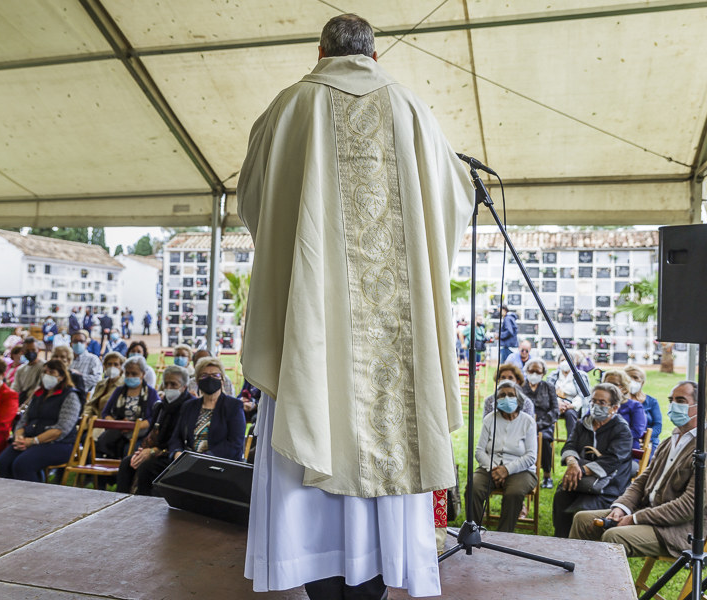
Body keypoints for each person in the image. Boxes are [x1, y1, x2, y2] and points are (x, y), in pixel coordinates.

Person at [238, 15, 474, 599]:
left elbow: (253, 202)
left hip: (309, 324)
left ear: (320, 51)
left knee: (311, 413)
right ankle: (379, 570)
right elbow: (453, 199)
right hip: (400, 338)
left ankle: (316, 572)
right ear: (374, 53)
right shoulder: (412, 109)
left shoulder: (290, 106)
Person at [569, 382, 707, 559]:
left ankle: (604, 585)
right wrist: (621, 507)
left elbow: (688, 507)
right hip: (649, 513)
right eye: (671, 400)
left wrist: (634, 519)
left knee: (613, 536)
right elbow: (642, 481)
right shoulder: (671, 441)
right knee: (582, 519)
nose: (673, 405)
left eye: (680, 400)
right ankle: (578, 577)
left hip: (679, 530)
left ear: (699, 407)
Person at [552, 382, 632, 538]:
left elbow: (612, 460)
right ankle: (560, 541)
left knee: (582, 509)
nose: (596, 406)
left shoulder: (621, 430)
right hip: (581, 480)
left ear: (614, 408)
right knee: (561, 496)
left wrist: (580, 470)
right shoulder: (584, 423)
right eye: (594, 401)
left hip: (608, 485)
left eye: (602, 403)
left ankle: (577, 546)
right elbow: (570, 445)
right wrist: (573, 463)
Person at [468, 380, 537, 532]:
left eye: (511, 395)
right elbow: (479, 451)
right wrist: (495, 469)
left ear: (518, 399)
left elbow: (531, 456)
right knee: (474, 487)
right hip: (490, 467)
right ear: (496, 399)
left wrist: (507, 470)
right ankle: (474, 532)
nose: (506, 398)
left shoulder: (528, 421)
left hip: (522, 470)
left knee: (514, 493)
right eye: (502, 395)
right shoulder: (490, 419)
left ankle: (503, 537)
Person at [0, 359, 80, 482]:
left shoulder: (70, 396)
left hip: (59, 444)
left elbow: (60, 430)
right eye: (44, 372)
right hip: (30, 439)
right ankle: (13, 494)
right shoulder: (38, 394)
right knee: (3, 462)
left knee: (23, 464)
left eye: (51, 372)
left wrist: (33, 441)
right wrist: (19, 436)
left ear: (61, 376)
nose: (46, 375)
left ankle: (35, 497)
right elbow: (24, 420)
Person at [117, 365, 193, 495]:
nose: (168, 388)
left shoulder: (190, 406)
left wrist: (153, 451)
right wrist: (144, 450)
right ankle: (120, 503)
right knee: (127, 463)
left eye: (173, 384)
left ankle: (143, 505)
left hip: (175, 454)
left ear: (184, 386)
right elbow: (151, 433)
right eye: (166, 384)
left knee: (147, 467)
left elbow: (181, 439)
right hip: (155, 451)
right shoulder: (161, 406)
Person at [169, 357, 244, 460]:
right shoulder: (189, 406)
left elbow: (235, 442)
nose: (210, 378)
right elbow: (176, 437)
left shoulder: (234, 406)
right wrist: (177, 452)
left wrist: (204, 458)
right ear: (197, 382)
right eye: (204, 376)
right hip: (187, 461)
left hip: (219, 463)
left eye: (215, 375)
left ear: (222, 381)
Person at [98, 355, 158, 460]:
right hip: (117, 430)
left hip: (140, 432)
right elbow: (106, 413)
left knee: (129, 449)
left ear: (143, 374)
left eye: (134, 374)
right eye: (127, 373)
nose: (130, 376)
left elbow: (155, 417)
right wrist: (119, 424)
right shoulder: (119, 391)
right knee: (102, 444)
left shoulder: (151, 393)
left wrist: (133, 426)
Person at [519, 358, 558, 489]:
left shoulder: (549, 387)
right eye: (531, 371)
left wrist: (539, 424)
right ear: (526, 371)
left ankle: (547, 476)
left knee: (545, 439)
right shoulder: (520, 387)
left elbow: (555, 410)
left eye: (538, 371)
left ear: (543, 373)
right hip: (523, 424)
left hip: (543, 425)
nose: (534, 374)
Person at [602, 370, 647, 462]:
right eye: (606, 384)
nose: (609, 388)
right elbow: (586, 424)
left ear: (624, 388)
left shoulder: (634, 406)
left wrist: (609, 435)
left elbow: (637, 432)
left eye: (614, 384)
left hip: (626, 455)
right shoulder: (597, 405)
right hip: (599, 452)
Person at [624, 365, 662, 458]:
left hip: (649, 441)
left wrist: (644, 437)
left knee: (651, 460)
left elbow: (657, 425)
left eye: (635, 378)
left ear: (642, 382)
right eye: (629, 377)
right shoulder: (621, 402)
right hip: (625, 440)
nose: (632, 380)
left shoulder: (651, 402)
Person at [85, 352, 125, 418]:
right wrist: (86, 418)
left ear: (121, 367)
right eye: (109, 364)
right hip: (93, 421)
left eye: (116, 364)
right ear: (105, 366)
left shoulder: (124, 385)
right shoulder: (100, 384)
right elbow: (90, 404)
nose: (112, 367)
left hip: (108, 423)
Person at [12, 337, 46, 411]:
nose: (30, 353)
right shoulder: (20, 369)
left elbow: (38, 389)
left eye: (33, 350)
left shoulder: (44, 367)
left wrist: (23, 407)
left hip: (35, 404)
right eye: (27, 351)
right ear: (23, 352)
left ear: (38, 350)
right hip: (21, 402)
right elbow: (15, 389)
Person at [555, 359, 587, 438]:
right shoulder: (554, 375)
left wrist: (572, 405)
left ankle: (571, 440)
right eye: (562, 360)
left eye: (567, 359)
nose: (565, 362)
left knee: (570, 413)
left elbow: (583, 395)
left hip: (574, 405)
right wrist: (558, 403)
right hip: (557, 404)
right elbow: (550, 393)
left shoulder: (580, 375)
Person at [70, 330, 102, 394]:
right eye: (75, 341)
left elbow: (97, 379)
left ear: (86, 344)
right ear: (70, 344)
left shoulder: (93, 359)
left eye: (81, 341)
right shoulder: (67, 358)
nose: (78, 344)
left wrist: (77, 376)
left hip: (84, 394)